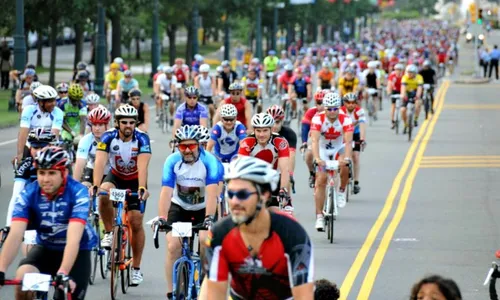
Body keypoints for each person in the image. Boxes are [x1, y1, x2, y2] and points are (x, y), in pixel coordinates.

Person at [200, 156, 314, 300]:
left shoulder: (293, 234)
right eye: (231, 193)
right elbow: (213, 294)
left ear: (264, 195)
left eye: (242, 194)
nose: (234, 201)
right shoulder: (219, 234)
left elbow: (304, 296)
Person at [0, 146, 97, 300]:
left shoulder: (78, 193)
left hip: (77, 252)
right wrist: (1, 269)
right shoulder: (28, 193)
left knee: (65, 294)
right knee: (23, 279)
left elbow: (73, 239)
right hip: (45, 248)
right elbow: (16, 234)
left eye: (51, 173)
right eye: (41, 173)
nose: (45, 179)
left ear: (64, 173)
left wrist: (63, 272)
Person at [91, 104, 151, 286]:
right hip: (116, 176)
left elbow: (142, 166)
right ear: (117, 123)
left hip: (135, 179)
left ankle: (136, 269)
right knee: (103, 193)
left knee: (135, 221)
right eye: (124, 122)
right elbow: (100, 162)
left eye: (132, 122)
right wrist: (95, 185)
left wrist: (141, 187)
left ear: (136, 123)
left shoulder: (142, 139)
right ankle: (109, 232)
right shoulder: (108, 137)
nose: (128, 126)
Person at [156, 125, 219, 300]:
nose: (188, 150)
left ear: (199, 145)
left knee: (205, 241)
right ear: (178, 147)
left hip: (203, 209)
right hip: (179, 208)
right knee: (173, 246)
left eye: (192, 146)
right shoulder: (172, 161)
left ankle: (206, 285)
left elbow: (213, 193)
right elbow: (166, 192)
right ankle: (171, 293)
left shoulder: (210, 161)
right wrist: (162, 217)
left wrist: (209, 218)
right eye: (183, 146)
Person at [2, 128, 57, 243]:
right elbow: (16, 196)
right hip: (34, 208)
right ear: (30, 148)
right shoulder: (25, 166)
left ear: (51, 145)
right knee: (30, 246)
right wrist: (8, 225)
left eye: (42, 147)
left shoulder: (61, 163)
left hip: (57, 208)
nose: (38, 151)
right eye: (35, 147)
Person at [311, 92, 353, 231]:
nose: (332, 112)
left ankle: (341, 190)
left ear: (339, 108)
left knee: (346, 165)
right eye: (329, 108)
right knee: (321, 179)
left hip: (338, 148)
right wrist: (317, 159)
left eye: (335, 108)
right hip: (323, 149)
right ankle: (319, 217)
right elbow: (315, 141)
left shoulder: (345, 119)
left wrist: (346, 158)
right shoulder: (318, 119)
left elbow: (348, 142)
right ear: (325, 108)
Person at [238, 113, 292, 211]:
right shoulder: (246, 142)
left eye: (265, 130)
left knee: (278, 212)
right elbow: (241, 168)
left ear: (271, 130)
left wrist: (283, 189)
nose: (261, 134)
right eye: (258, 131)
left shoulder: (280, 142)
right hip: (254, 179)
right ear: (254, 130)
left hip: (274, 178)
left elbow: (284, 170)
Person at [16, 85, 63, 162]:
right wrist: (20, 154)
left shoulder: (58, 112)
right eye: (50, 101)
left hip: (49, 143)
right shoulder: (29, 110)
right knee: (22, 167)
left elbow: (54, 135)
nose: (54, 104)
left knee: (64, 159)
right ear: (41, 102)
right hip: (32, 143)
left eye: (54, 100)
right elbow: (23, 133)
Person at [74, 106, 111, 186]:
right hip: (92, 169)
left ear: (107, 125)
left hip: (111, 172)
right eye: (94, 124)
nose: (97, 128)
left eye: (100, 125)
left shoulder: (114, 138)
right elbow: (80, 164)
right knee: (85, 186)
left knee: (105, 193)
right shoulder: (86, 140)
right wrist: (74, 187)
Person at [266, 105, 298, 191]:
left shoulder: (289, 134)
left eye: (277, 122)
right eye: (271, 122)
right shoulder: (262, 133)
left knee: (285, 183)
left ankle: (288, 203)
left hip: (282, 164)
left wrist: (290, 173)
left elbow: (291, 156)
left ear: (282, 121)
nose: (274, 126)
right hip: (267, 164)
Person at [301, 89, 328, 188]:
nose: (320, 106)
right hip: (315, 138)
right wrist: (304, 142)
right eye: (318, 103)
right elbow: (304, 128)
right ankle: (312, 173)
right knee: (308, 155)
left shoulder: (334, 111)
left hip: (330, 139)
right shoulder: (311, 112)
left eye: (323, 103)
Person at [340, 93, 366, 194]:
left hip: (355, 134)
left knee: (355, 156)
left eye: (353, 103)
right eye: (348, 103)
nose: (351, 105)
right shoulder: (340, 111)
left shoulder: (359, 111)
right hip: (343, 133)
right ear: (344, 103)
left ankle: (356, 182)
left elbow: (362, 125)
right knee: (344, 156)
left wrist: (362, 139)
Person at [400, 64, 424, 131]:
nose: (409, 74)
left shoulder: (419, 77)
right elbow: (403, 88)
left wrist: (417, 97)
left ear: (415, 73)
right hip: (407, 93)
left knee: (418, 104)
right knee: (402, 110)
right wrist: (403, 95)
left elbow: (419, 88)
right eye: (408, 72)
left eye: (411, 73)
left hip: (416, 93)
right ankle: (405, 124)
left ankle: (416, 118)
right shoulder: (404, 77)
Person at [387, 63, 404, 128]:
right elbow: (389, 84)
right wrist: (389, 92)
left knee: (403, 106)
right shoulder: (392, 76)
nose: (398, 71)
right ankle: (392, 120)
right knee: (393, 106)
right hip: (395, 90)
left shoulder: (404, 76)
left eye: (400, 70)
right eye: (397, 70)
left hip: (402, 90)